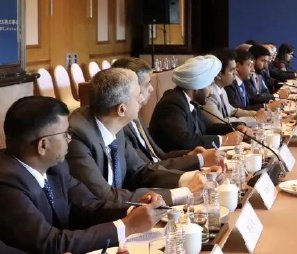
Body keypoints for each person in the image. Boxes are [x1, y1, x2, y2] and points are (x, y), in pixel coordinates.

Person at [0, 96, 164, 253]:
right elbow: (52, 244)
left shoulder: (56, 167)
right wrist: (127, 226)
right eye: (65, 134)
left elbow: (90, 207)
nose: (69, 139)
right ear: (43, 145)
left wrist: (134, 210)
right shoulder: (7, 185)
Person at [67, 68, 205, 205]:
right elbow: (105, 196)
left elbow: (140, 171)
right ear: (122, 109)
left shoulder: (113, 124)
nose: (141, 98)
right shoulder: (78, 139)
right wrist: (183, 193)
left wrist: (191, 177)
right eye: (138, 94)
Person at [112, 57, 224, 171]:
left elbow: (159, 156)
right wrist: (199, 159)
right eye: (147, 84)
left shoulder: (136, 118)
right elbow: (144, 170)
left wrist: (189, 155)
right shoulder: (121, 128)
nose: (151, 89)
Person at [150, 55, 243, 152]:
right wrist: (223, 140)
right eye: (209, 86)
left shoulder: (190, 101)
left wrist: (236, 127)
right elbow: (183, 140)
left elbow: (209, 127)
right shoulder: (172, 103)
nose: (211, 92)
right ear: (198, 87)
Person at [204, 49, 264, 124]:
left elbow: (232, 111)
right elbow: (221, 122)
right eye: (232, 70)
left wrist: (255, 114)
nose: (235, 72)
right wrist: (254, 119)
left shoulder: (221, 89)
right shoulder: (208, 94)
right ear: (219, 74)